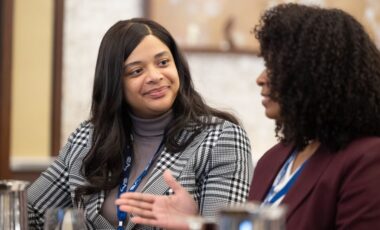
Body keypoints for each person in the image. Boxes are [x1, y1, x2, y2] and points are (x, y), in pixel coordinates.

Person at [116, 3, 380, 230]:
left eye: (275, 68)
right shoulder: (274, 159)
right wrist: (196, 223)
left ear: (317, 75)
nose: (261, 79)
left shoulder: (367, 160)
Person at [27, 18, 253, 230]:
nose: (155, 76)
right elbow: (31, 212)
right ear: (115, 83)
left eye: (163, 62)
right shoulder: (88, 137)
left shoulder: (221, 138)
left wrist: (194, 224)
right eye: (136, 71)